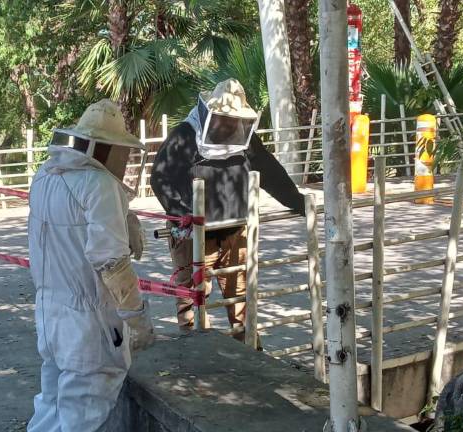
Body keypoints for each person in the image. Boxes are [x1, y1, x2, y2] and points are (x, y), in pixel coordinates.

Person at [27, 99, 155, 431]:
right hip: (89, 323)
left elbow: (69, 224)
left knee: (51, 405)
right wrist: (136, 317)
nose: (123, 160)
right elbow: (111, 262)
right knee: (80, 417)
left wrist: (124, 216)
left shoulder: (45, 175)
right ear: (103, 148)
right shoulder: (100, 186)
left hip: (50, 314)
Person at [150, 79, 305, 335]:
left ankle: (247, 348)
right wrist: (181, 214)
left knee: (239, 295)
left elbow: (270, 172)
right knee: (192, 298)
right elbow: (160, 178)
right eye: (222, 118)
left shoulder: (245, 138)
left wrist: (297, 201)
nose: (227, 124)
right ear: (209, 113)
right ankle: (196, 348)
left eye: (232, 119)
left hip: (234, 230)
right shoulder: (184, 136)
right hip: (194, 233)